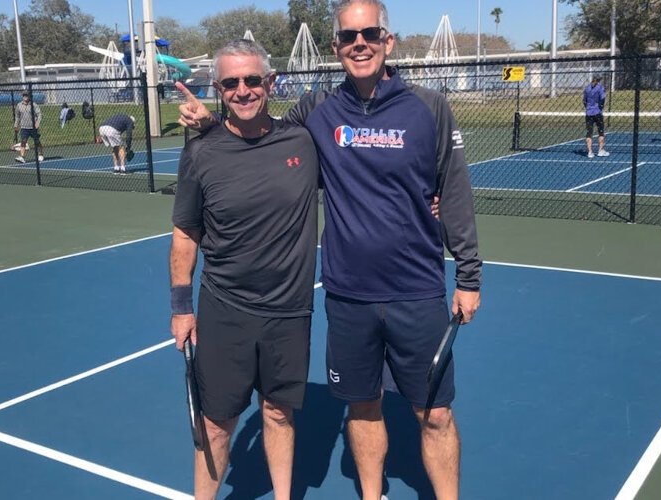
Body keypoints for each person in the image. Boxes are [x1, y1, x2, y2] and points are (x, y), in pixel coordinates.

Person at [178, 2, 482, 499]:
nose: (358, 43)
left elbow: (454, 193)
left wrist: (468, 274)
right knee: (363, 408)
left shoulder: (428, 108)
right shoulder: (317, 110)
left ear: (388, 41)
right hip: (347, 296)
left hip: (417, 292)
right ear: (336, 47)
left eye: (369, 33)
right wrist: (211, 123)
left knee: (436, 413)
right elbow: (258, 130)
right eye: (347, 37)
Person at [169, 39, 319, 499]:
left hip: (289, 312)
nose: (243, 90)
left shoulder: (302, 140)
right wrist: (181, 307)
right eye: (231, 82)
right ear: (218, 88)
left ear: (270, 84)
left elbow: (368, 170)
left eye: (252, 79)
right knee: (215, 425)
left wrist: (427, 200)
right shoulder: (201, 152)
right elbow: (185, 235)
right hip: (225, 311)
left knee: (278, 414)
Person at [13, 91, 44, 164]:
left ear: (29, 96)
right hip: (24, 127)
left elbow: (39, 114)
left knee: (37, 141)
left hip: (33, 127)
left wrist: (37, 123)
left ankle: (40, 154)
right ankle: (22, 157)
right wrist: (16, 125)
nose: (25, 96)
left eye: (26, 95)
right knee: (23, 141)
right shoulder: (19, 105)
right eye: (24, 95)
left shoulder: (34, 105)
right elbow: (17, 117)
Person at [583, 75, 609, 158]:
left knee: (589, 132)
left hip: (589, 113)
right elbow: (602, 99)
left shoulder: (587, 88)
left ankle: (590, 152)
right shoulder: (600, 87)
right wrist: (600, 108)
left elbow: (584, 100)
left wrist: (588, 108)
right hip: (597, 113)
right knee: (601, 132)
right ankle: (600, 150)